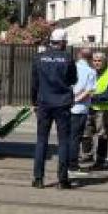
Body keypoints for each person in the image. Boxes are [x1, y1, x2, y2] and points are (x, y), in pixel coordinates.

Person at [30, 28, 77, 190]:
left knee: (41, 141)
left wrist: (34, 102)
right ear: (63, 42)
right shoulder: (68, 58)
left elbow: (34, 83)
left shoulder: (39, 58)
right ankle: (62, 180)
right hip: (62, 104)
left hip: (44, 103)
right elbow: (73, 79)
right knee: (64, 142)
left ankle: (38, 179)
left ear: (51, 41)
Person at [82, 51, 108, 170]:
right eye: (95, 61)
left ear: (104, 62)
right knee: (85, 134)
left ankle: (100, 161)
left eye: (99, 61)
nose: (97, 63)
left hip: (103, 111)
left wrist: (93, 97)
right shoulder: (90, 73)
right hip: (88, 108)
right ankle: (87, 156)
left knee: (102, 136)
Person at [67, 47, 98, 172]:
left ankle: (65, 161)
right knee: (76, 138)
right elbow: (89, 90)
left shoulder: (70, 67)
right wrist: (77, 99)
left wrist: (70, 99)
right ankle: (72, 164)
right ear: (90, 58)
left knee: (66, 136)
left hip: (66, 106)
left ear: (79, 55)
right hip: (80, 108)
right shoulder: (91, 71)